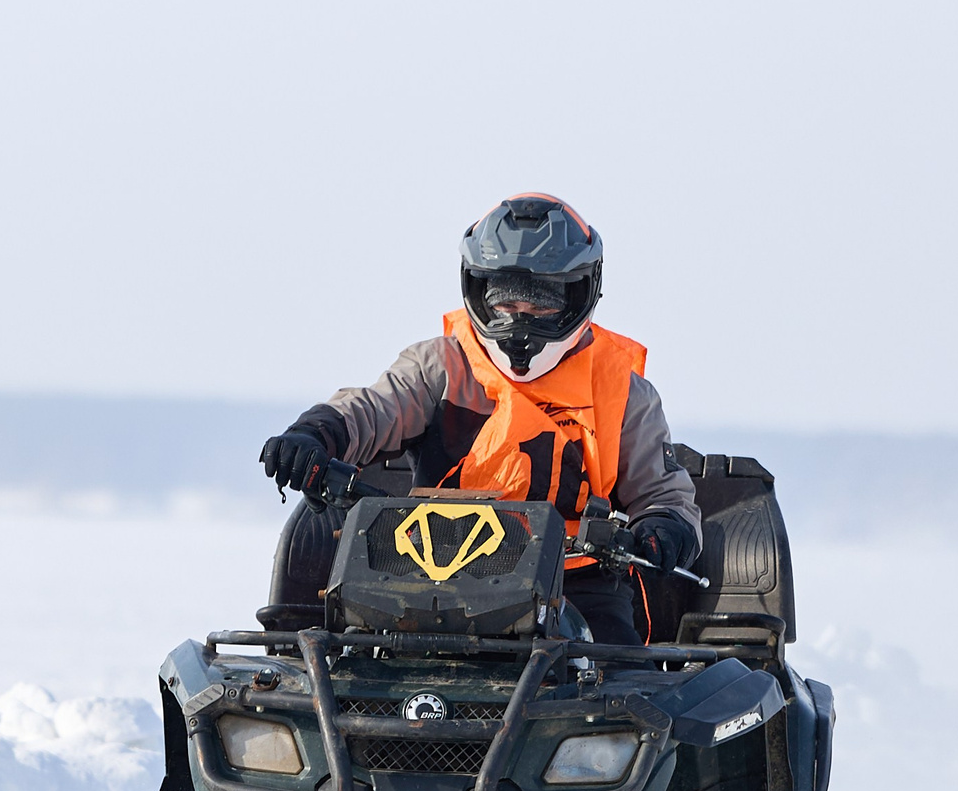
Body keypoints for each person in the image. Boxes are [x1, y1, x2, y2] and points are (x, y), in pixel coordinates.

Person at [258, 193, 700, 645]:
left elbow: (665, 495)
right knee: (347, 661)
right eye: (505, 302)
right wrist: (314, 435)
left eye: (541, 303)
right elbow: (371, 410)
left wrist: (660, 530)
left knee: (618, 682)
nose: (520, 322)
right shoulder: (440, 366)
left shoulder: (623, 393)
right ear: (477, 291)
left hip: (575, 583)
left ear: (580, 295)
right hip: (426, 571)